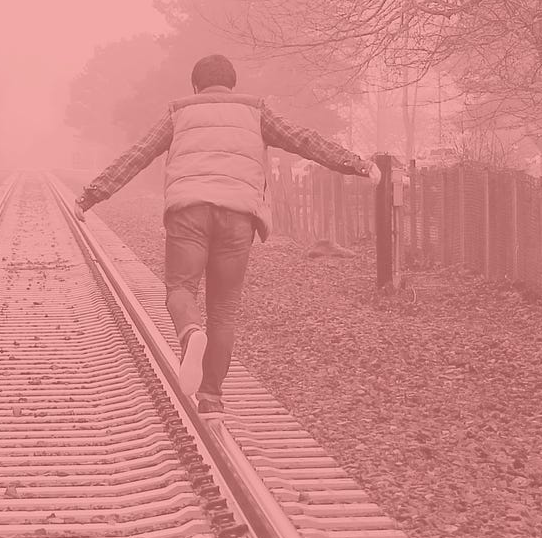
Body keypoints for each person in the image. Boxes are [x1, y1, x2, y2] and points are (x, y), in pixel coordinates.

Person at [72, 54, 379, 416]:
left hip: (189, 211)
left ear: (196, 87)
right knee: (223, 310)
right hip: (238, 216)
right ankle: (211, 397)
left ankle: (189, 332)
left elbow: (137, 156)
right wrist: (359, 164)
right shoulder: (256, 112)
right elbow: (305, 140)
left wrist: (90, 196)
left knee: (181, 288)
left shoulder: (180, 113)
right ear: (232, 85)